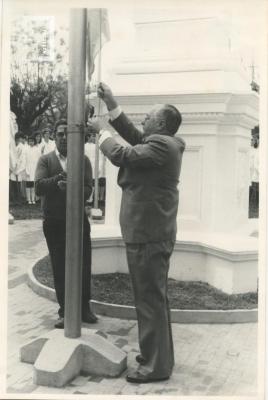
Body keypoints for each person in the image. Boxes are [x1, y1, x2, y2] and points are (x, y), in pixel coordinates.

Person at [89, 82, 185, 384]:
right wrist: (113, 104)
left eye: (148, 117)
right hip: (151, 232)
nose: (143, 119)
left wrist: (102, 130)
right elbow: (134, 136)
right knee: (154, 299)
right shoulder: (164, 143)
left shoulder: (161, 146)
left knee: (149, 300)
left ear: (160, 124)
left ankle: (155, 367)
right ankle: (159, 357)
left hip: (148, 234)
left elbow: (121, 154)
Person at [35, 119, 98, 329]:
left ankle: (84, 308)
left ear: (74, 137)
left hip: (78, 221)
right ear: (54, 136)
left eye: (67, 134)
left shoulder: (83, 160)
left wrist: (72, 187)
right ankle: (65, 311)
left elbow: (88, 190)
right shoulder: (46, 160)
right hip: (54, 222)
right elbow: (38, 187)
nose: (63, 137)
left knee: (83, 263)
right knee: (59, 265)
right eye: (60, 134)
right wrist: (59, 181)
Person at [25, 136, 41, 204]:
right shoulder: (26, 149)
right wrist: (26, 169)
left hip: (34, 167)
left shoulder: (37, 149)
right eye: (30, 141)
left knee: (34, 184)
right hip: (28, 167)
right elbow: (24, 160)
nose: (31, 142)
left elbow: (39, 159)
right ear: (28, 142)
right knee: (28, 184)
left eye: (32, 141)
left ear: (34, 142)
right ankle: (29, 199)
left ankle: (33, 199)